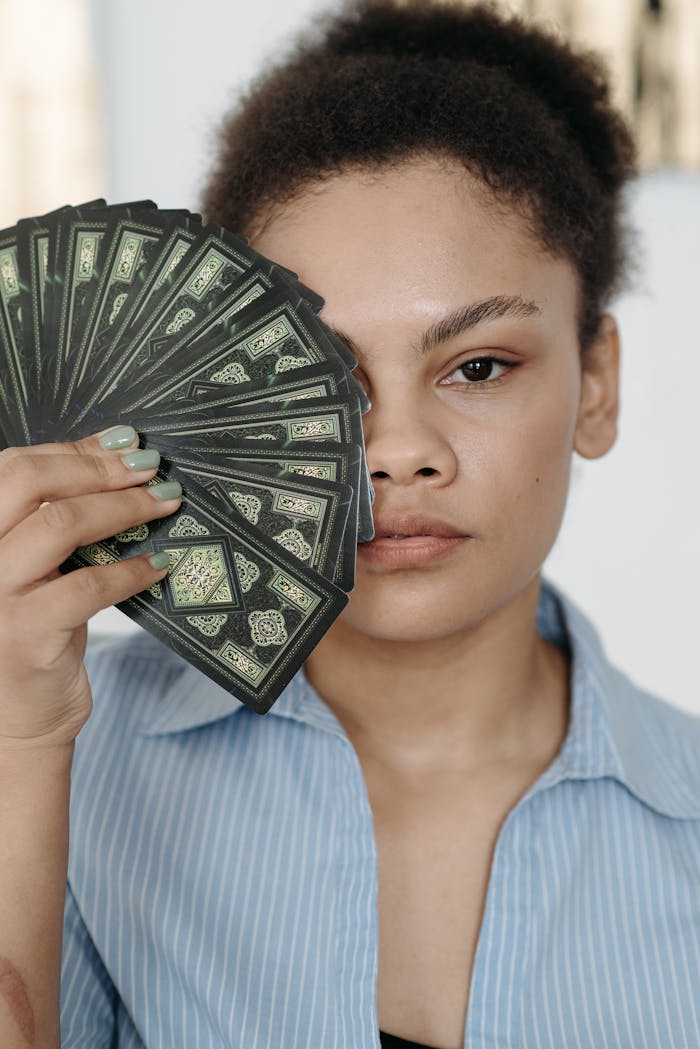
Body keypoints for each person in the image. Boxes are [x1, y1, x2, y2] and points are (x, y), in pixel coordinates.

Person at [1, 1, 699, 1047]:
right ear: (222, 392)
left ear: (595, 383)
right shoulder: (72, 754)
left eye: (477, 365)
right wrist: (21, 741)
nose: (396, 449)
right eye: (325, 378)